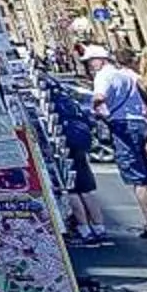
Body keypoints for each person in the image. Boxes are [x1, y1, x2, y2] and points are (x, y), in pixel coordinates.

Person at [94, 49, 147, 237]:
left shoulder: (104, 76)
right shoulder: (132, 76)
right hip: (143, 123)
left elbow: (99, 97)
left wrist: (97, 111)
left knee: (138, 179)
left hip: (123, 125)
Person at [47, 71, 109, 244]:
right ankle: (99, 227)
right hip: (80, 144)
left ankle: (84, 228)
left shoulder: (52, 104)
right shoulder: (69, 100)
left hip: (64, 144)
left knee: (71, 189)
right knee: (87, 189)